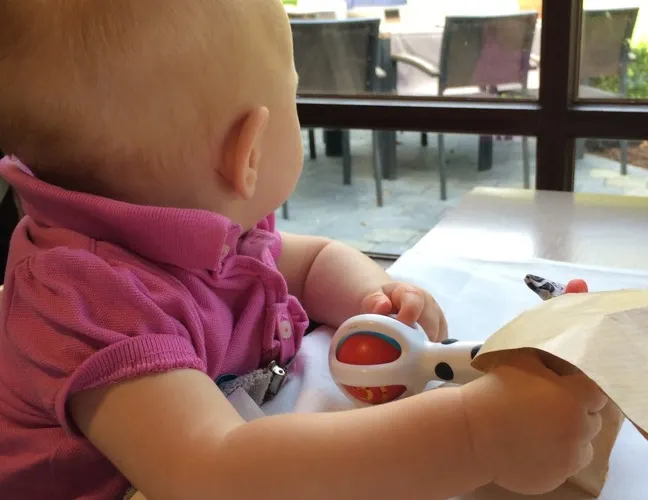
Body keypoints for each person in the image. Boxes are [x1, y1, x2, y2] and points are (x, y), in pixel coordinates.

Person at [0, 1, 608, 499]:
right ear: (248, 154)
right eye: (294, 101)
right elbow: (214, 472)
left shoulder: (207, 231)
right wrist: (476, 436)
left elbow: (309, 262)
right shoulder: (83, 302)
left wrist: (375, 294)